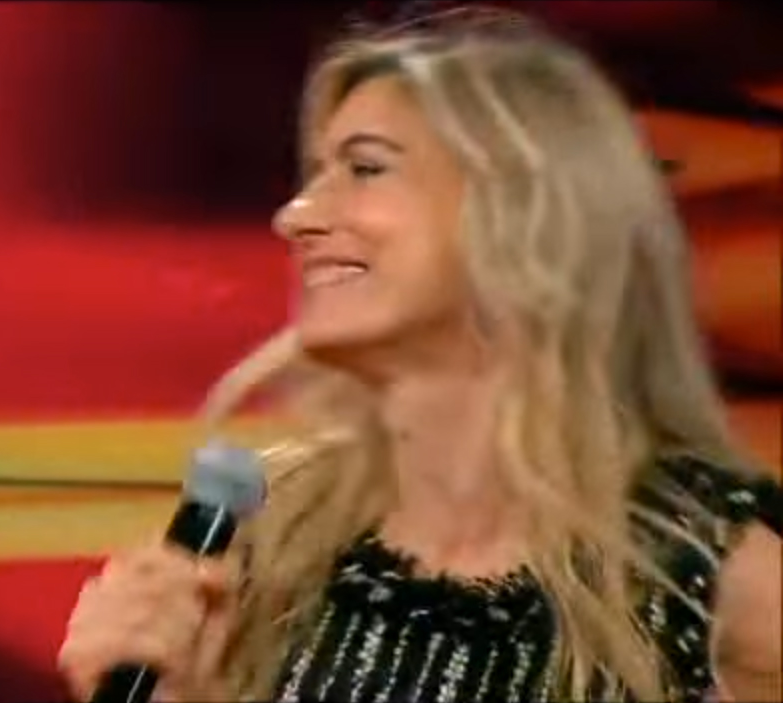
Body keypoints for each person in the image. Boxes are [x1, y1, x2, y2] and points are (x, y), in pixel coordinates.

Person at [57, 6, 783, 703]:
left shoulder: (712, 573)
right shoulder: (259, 546)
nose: (296, 216)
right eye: (314, 175)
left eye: (365, 168)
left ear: (526, 211)